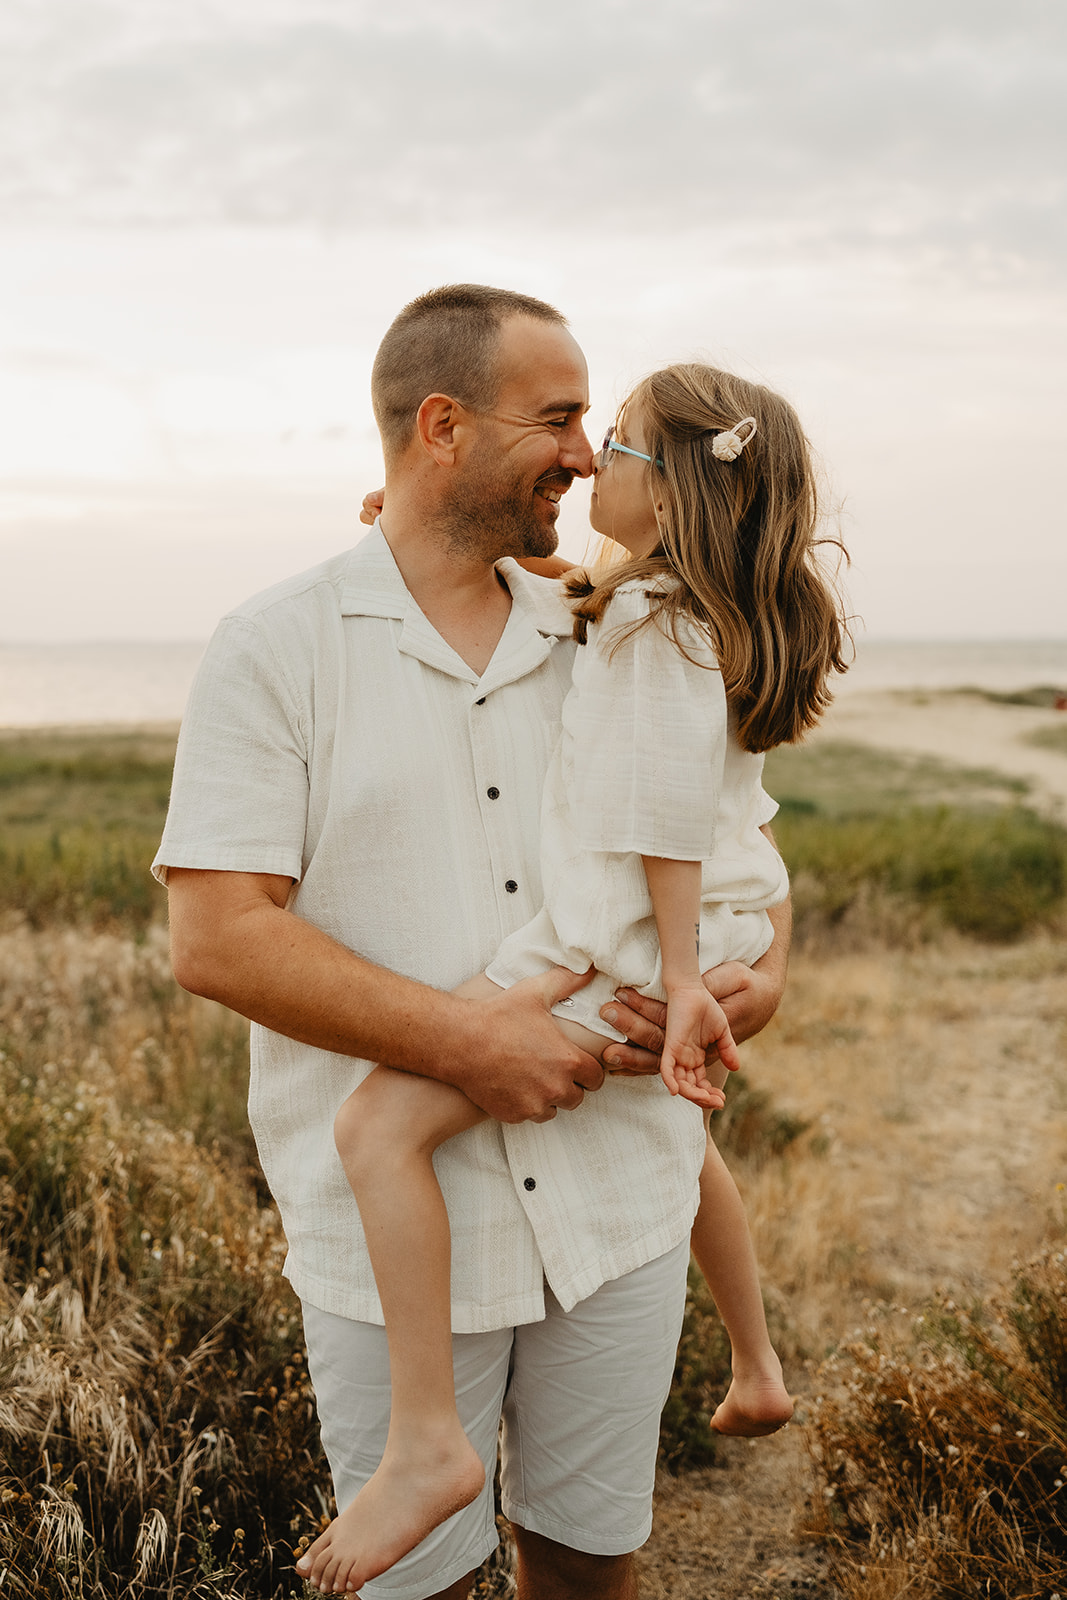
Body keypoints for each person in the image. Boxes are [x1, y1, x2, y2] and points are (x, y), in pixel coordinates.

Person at [154, 284, 794, 1600]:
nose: (579, 451)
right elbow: (216, 940)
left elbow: (735, 829)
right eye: (557, 419)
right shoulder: (275, 647)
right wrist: (472, 1044)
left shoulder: (606, 622)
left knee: (588, 1566)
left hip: (621, 1208)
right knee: (422, 1590)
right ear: (441, 425)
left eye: (589, 425)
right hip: (397, 1235)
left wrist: (763, 971)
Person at [297, 361, 847, 1595]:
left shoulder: (654, 630)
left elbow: (662, 821)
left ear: (677, 497)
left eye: (619, 445)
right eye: (570, 427)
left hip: (626, 942)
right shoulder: (675, 610)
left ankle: (429, 1440)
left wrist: (687, 975)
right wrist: (404, 532)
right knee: (678, 1139)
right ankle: (753, 1363)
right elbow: (588, 609)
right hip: (662, 937)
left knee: (378, 1124)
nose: (593, 457)